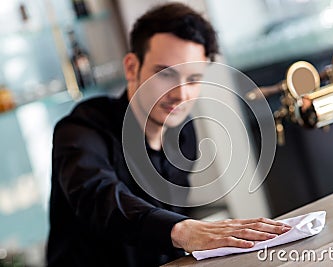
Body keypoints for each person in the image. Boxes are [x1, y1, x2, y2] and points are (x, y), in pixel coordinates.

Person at [46, 3, 291, 266]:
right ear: (131, 67)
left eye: (193, 78)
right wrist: (182, 230)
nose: (181, 94)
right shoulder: (81, 130)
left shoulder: (185, 134)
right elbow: (98, 197)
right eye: (165, 74)